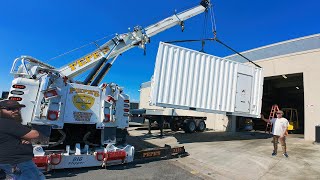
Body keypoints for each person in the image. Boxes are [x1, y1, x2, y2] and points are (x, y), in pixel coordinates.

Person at [0, 99, 45, 179]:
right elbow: (34, 134)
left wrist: (23, 137)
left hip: (7, 161)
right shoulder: (7, 122)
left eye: (18, 108)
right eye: (10, 109)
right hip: (17, 162)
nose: (15, 111)